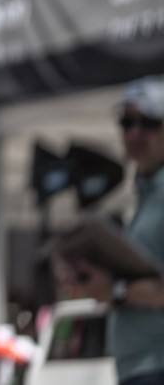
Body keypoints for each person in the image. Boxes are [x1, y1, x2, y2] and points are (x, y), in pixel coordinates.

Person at [62, 77, 164, 385]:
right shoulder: (146, 195)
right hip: (139, 366)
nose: (134, 133)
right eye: (126, 122)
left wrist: (116, 291)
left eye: (148, 122)